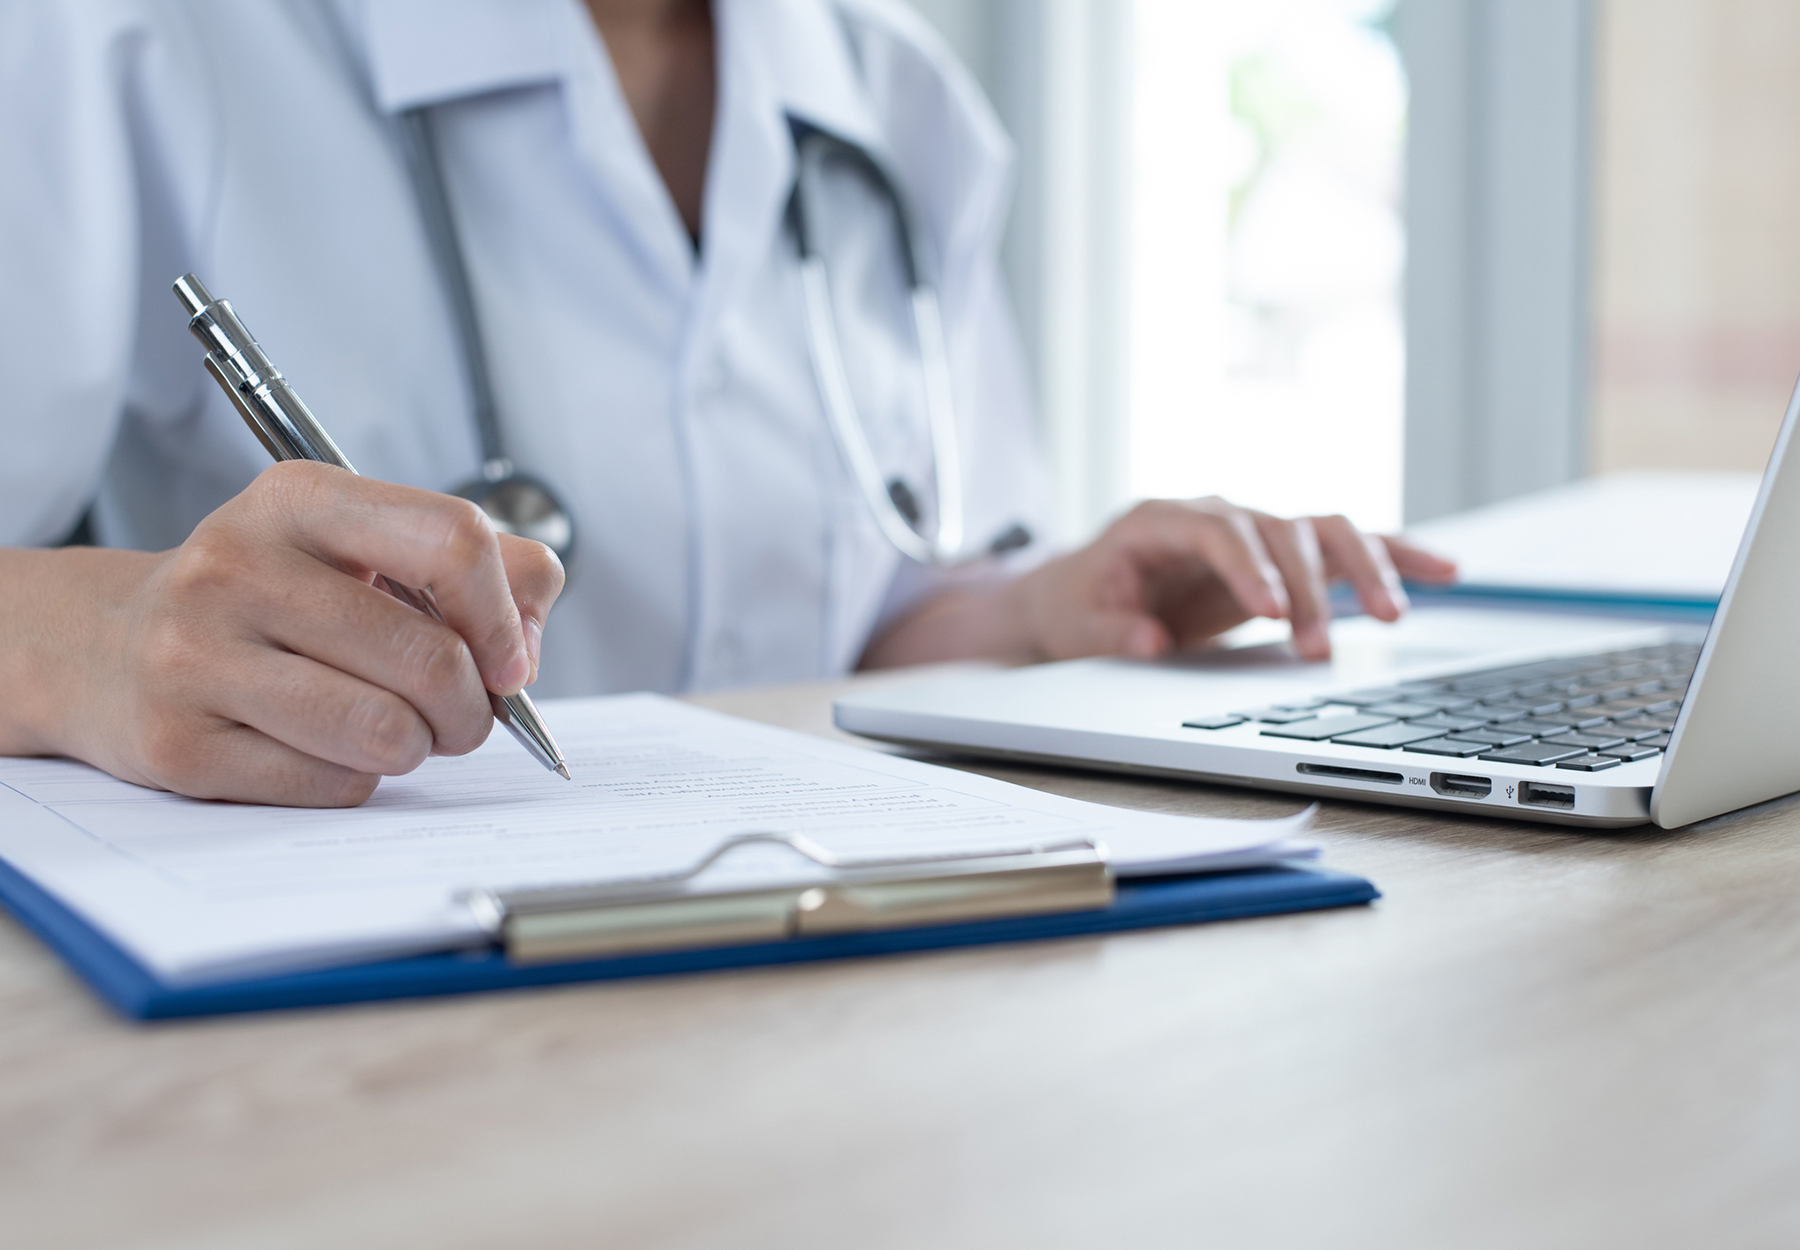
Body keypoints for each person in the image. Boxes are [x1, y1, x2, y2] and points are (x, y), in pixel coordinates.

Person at [0, 0, 1454, 807]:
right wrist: (95, 644)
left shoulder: (894, 94)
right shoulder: (127, 36)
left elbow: (838, 624)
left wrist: (1033, 611)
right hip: (346, 1049)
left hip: (807, 985)